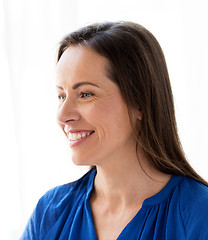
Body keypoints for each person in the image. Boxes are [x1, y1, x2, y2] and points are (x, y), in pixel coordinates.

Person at [20, 21, 208, 240]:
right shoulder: (50, 212)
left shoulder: (198, 214)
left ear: (139, 103)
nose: (62, 116)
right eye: (62, 96)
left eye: (85, 94)